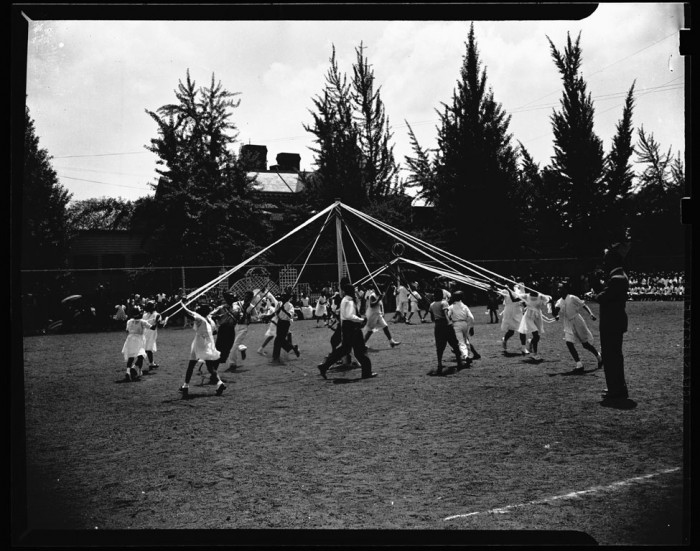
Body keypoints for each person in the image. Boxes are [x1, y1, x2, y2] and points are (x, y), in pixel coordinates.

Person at [593, 244, 631, 401]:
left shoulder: (616, 279)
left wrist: (595, 290)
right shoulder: (619, 277)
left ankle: (616, 389)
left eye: (606, 260)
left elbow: (603, 297)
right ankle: (617, 387)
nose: (604, 263)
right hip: (615, 322)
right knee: (614, 356)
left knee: (611, 356)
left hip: (611, 323)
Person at [317, 284, 376, 380]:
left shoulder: (345, 300)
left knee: (344, 349)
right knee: (360, 351)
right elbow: (350, 316)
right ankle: (366, 373)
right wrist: (361, 320)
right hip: (352, 328)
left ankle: (325, 365)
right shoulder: (349, 301)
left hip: (346, 327)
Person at [177, 301, 226, 397]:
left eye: (199, 308)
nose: (197, 309)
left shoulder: (200, 319)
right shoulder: (210, 320)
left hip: (199, 343)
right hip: (207, 343)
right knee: (210, 366)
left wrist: (180, 303)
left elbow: (187, 314)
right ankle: (220, 383)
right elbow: (214, 332)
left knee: (191, 365)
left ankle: (185, 386)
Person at [553, 282, 603, 373]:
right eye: (558, 289)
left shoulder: (572, 298)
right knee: (569, 343)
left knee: (585, 344)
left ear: (565, 290)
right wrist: (551, 305)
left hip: (577, 321)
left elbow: (583, 305)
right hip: (567, 323)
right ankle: (579, 364)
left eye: (560, 288)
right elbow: (555, 312)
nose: (558, 290)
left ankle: (599, 356)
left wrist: (590, 314)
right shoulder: (559, 301)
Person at [426, 286, 465, 376]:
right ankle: (459, 362)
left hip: (437, 326)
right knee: (454, 343)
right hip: (445, 325)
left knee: (440, 346)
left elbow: (432, 318)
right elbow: (445, 314)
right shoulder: (444, 302)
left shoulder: (432, 305)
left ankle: (439, 363)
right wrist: (448, 322)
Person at [120, 307, 158, 381]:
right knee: (141, 356)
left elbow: (127, 331)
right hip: (139, 339)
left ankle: (128, 371)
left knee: (131, 357)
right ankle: (137, 370)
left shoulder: (129, 321)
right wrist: (156, 321)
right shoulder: (142, 322)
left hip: (130, 339)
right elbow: (153, 328)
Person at [517, 290, 552, 362]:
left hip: (537, 317)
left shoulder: (541, 296)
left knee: (537, 336)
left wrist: (549, 299)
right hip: (528, 317)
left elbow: (549, 300)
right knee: (536, 335)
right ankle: (535, 354)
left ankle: (531, 342)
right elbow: (516, 296)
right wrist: (509, 289)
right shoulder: (526, 296)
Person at [363, 284, 401, 349]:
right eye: (380, 290)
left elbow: (379, 305)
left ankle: (391, 342)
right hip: (372, 315)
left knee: (385, 326)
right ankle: (362, 344)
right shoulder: (372, 295)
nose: (381, 291)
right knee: (370, 331)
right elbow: (372, 305)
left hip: (378, 314)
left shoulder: (378, 295)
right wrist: (379, 299)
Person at [209, 292, 238, 371]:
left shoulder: (236, 308)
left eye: (232, 298)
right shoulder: (221, 308)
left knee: (227, 350)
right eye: (230, 298)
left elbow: (239, 319)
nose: (232, 300)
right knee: (219, 350)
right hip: (223, 330)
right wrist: (217, 316)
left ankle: (214, 368)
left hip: (231, 330)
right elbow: (210, 315)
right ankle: (214, 370)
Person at [228, 291, 256, 371]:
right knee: (233, 343)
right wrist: (240, 312)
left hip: (244, 327)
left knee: (234, 346)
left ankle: (232, 364)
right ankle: (242, 348)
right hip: (234, 326)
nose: (246, 298)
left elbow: (256, 317)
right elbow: (234, 310)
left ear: (251, 298)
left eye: (249, 297)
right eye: (246, 296)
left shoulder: (252, 307)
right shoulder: (237, 304)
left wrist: (249, 317)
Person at [448, 290, 478, 366]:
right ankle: (469, 355)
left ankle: (466, 356)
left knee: (460, 341)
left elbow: (447, 316)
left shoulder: (451, 307)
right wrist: (471, 327)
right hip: (465, 324)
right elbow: (471, 317)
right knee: (466, 340)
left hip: (456, 324)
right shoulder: (465, 306)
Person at [272, 290, 300, 364]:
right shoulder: (279, 304)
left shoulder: (290, 305)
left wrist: (284, 310)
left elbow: (290, 315)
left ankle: (276, 357)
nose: (282, 297)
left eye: (284, 297)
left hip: (286, 323)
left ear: (287, 298)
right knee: (279, 340)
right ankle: (293, 348)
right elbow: (276, 313)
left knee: (279, 340)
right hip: (280, 322)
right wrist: (279, 310)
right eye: (282, 296)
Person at [499, 282, 527, 354]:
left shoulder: (518, 290)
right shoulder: (504, 291)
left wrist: (524, 307)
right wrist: (492, 288)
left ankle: (523, 348)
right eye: (510, 281)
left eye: (513, 281)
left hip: (518, 311)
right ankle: (505, 340)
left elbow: (518, 299)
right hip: (509, 312)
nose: (511, 282)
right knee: (511, 331)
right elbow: (498, 297)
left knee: (522, 330)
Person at [142, 300, 167, 371]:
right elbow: (159, 326)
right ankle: (136, 366)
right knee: (147, 350)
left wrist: (162, 321)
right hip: (151, 334)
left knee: (149, 349)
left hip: (145, 333)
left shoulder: (145, 315)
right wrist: (164, 321)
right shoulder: (157, 315)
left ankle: (151, 363)